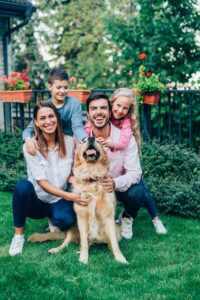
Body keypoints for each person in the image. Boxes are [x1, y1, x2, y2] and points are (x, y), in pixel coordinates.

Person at [9, 101, 88, 256]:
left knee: (67, 220)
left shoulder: (70, 142)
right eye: (42, 118)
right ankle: (18, 236)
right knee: (22, 187)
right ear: (36, 123)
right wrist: (70, 196)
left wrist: (76, 181)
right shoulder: (30, 146)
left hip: (58, 201)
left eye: (51, 116)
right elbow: (42, 183)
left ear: (57, 118)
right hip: (37, 202)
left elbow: (72, 172)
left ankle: (53, 221)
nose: (48, 121)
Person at [85, 91, 166, 239]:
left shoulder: (126, 135)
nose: (120, 111)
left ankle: (127, 217)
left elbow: (135, 173)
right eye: (94, 109)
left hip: (118, 183)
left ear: (108, 111)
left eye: (103, 109)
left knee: (139, 192)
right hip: (94, 185)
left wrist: (115, 182)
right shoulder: (84, 136)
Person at [23, 67, 87, 155]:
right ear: (50, 87)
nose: (62, 91)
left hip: (68, 144)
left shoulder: (73, 103)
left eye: (65, 87)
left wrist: (86, 140)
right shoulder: (46, 107)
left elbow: (77, 127)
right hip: (49, 144)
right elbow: (28, 130)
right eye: (59, 87)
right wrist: (28, 139)